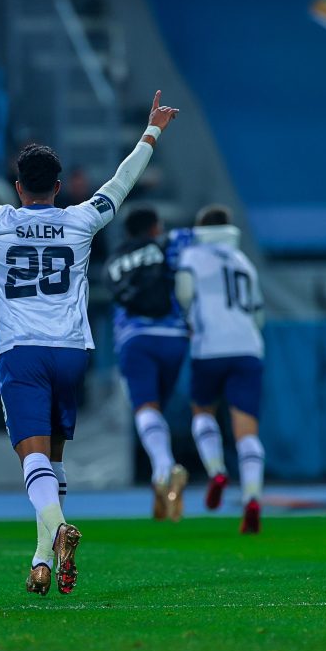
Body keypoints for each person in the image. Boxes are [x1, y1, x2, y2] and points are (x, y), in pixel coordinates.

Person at [0, 90, 178, 596]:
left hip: (22, 353)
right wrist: (151, 130)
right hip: (71, 352)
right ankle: (42, 559)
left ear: (19, 187)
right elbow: (123, 181)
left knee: (33, 460)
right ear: (60, 187)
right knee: (55, 460)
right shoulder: (82, 219)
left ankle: (60, 528)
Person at [174, 205, 266, 534]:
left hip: (210, 346)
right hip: (247, 348)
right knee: (247, 430)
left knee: (202, 412)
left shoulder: (193, 256)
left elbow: (184, 295)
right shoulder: (244, 262)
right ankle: (252, 496)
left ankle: (216, 470)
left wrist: (188, 320)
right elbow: (258, 314)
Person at [105, 207, 189, 521]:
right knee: (159, 411)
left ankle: (163, 472)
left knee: (145, 408)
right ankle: (163, 481)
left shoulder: (113, 261)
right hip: (174, 337)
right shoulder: (168, 244)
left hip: (134, 337)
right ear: (155, 227)